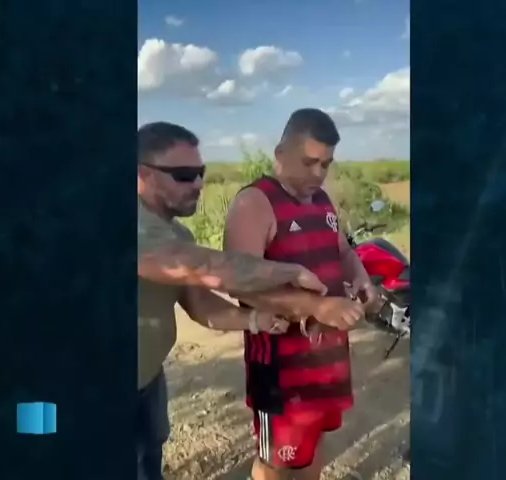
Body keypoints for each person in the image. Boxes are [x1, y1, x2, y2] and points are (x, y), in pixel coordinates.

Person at [136, 121, 360, 480]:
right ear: (142, 174)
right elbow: (203, 266)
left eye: (200, 173)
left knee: (147, 461)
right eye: (184, 175)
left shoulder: (177, 233)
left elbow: (200, 303)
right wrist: (296, 281)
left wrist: (254, 320)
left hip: (146, 379)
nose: (198, 184)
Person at [223, 109, 381, 480]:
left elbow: (342, 250)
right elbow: (238, 283)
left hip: (327, 362)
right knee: (276, 462)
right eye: (309, 162)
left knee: (313, 447)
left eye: (326, 164)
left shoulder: (322, 200)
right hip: (280, 371)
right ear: (280, 154)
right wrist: (317, 306)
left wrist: (360, 277)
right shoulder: (255, 203)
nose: (318, 173)